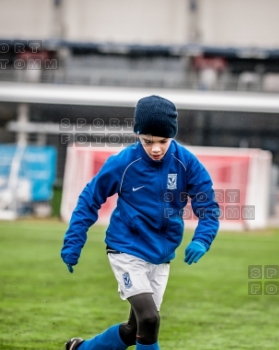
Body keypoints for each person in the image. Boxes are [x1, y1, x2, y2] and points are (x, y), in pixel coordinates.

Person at [61, 95, 220, 350]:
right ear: (137, 134)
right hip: (126, 249)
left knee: (135, 329)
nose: (156, 148)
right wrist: (73, 243)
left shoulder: (187, 163)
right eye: (148, 141)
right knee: (150, 318)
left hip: (160, 255)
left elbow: (208, 206)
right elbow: (89, 200)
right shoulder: (122, 163)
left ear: (172, 137)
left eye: (163, 141)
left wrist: (202, 239)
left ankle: (81, 349)